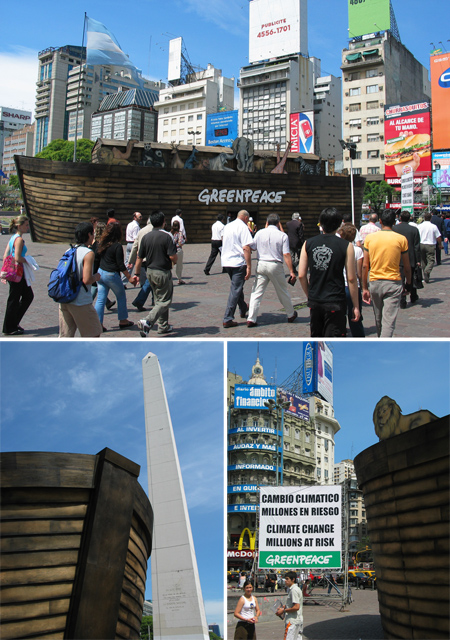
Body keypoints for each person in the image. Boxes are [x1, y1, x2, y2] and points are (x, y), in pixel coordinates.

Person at [298, 207, 360, 337]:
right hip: (335, 299)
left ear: (320, 223)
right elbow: (351, 278)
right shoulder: (346, 245)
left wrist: (309, 294)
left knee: (316, 338)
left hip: (315, 299)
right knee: (333, 339)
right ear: (339, 225)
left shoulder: (308, 243)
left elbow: (301, 275)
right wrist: (355, 306)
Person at [362, 209, 411, 338]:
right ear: (394, 222)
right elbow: (407, 266)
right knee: (388, 321)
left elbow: (365, 265)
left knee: (378, 318)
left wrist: (364, 287)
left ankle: (381, 340)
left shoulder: (370, 238)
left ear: (380, 221)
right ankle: (384, 341)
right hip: (393, 282)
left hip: (374, 281)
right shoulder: (401, 239)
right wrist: (409, 283)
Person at [246, 213, 298, 327]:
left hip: (261, 263)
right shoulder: (282, 235)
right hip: (275, 265)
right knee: (282, 291)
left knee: (256, 292)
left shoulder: (259, 233)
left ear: (267, 222)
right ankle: (290, 314)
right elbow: (286, 254)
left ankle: (251, 318)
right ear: (278, 223)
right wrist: (291, 271)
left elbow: (252, 247)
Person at [135, 210, 178, 336]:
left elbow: (139, 257)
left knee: (159, 298)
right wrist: (174, 263)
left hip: (149, 271)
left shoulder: (146, 236)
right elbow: (173, 256)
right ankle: (148, 320)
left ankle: (163, 326)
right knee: (165, 301)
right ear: (164, 222)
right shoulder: (166, 236)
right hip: (162, 271)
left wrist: (137, 274)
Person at [59, 221, 103, 338]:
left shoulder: (68, 251)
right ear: (89, 235)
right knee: (93, 334)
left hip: (65, 298)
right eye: (92, 234)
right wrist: (96, 277)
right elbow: (87, 279)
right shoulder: (88, 253)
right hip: (81, 301)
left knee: (65, 336)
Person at [94, 222, 137, 331]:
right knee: (121, 295)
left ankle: (97, 323)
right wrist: (130, 278)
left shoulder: (102, 243)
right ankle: (123, 321)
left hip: (101, 272)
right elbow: (120, 265)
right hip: (111, 274)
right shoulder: (117, 246)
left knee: (100, 299)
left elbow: (97, 259)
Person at [2, 215, 34, 335]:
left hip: (13, 272)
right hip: (18, 273)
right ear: (19, 226)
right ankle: (10, 327)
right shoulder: (19, 239)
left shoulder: (13, 238)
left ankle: (12, 323)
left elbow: (6, 255)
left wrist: (4, 271)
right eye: (26, 225)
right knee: (17, 299)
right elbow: (17, 258)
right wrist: (28, 260)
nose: (27, 227)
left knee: (23, 297)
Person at [221, 210, 253, 328]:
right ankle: (228, 317)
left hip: (227, 261)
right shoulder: (243, 227)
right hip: (238, 262)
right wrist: (249, 266)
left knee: (237, 287)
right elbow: (246, 247)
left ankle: (243, 307)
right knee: (235, 289)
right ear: (245, 218)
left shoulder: (227, 226)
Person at [338, 223, 365, 337]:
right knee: (355, 313)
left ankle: (342, 332)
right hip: (354, 286)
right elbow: (359, 273)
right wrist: (364, 287)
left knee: (340, 314)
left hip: (340, 284)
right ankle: (358, 336)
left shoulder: (338, 249)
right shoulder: (358, 251)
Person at [393, 210, 421, 307]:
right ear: (409, 218)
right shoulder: (414, 230)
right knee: (412, 278)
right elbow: (417, 246)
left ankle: (402, 300)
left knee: (400, 279)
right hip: (411, 257)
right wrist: (418, 260)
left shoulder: (395, 229)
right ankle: (413, 296)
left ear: (400, 218)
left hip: (398, 258)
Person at [128, 216, 154, 312]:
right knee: (150, 280)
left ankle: (153, 299)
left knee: (151, 279)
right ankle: (140, 300)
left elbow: (135, 246)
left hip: (142, 259)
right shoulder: (156, 230)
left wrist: (131, 260)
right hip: (153, 259)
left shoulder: (141, 230)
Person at [276, 571, 303, 640]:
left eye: (287, 579)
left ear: (293, 579)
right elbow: (294, 604)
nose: (285, 581)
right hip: (297, 620)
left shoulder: (294, 590)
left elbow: (296, 607)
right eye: (285, 579)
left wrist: (283, 610)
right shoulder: (295, 589)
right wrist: (285, 606)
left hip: (292, 621)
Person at [418, 211, 442, 283]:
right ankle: (427, 271)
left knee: (423, 260)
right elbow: (438, 237)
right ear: (430, 218)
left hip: (421, 244)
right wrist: (440, 244)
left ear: (424, 218)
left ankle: (426, 276)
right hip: (430, 244)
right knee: (431, 260)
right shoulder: (433, 226)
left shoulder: (419, 226)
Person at [122, 211, 142, 284]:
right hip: (133, 244)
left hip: (128, 244)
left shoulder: (130, 224)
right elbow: (135, 238)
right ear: (135, 217)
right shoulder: (136, 226)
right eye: (139, 217)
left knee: (128, 263)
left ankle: (123, 281)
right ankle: (142, 280)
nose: (141, 218)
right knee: (137, 262)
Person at [170, 219, 186, 285]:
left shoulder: (170, 233)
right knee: (179, 265)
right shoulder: (179, 233)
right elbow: (181, 242)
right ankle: (179, 279)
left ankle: (169, 278)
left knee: (170, 265)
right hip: (178, 250)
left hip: (171, 250)